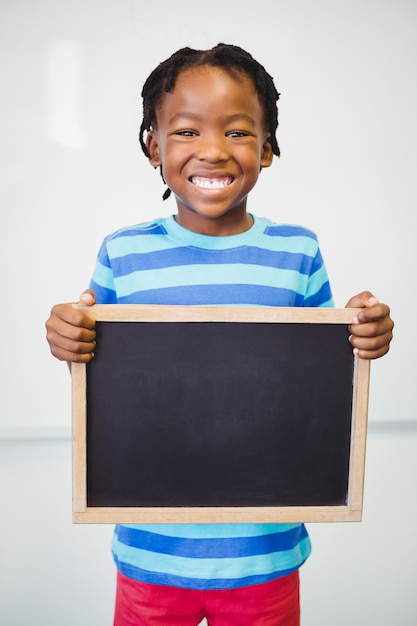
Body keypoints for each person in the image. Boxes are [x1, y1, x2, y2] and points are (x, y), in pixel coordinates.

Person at [46, 43, 394, 626]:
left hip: (265, 554)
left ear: (268, 148)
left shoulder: (296, 252)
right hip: (151, 555)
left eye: (237, 132)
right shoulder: (124, 252)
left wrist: (364, 333)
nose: (212, 149)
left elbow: (323, 371)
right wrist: (65, 336)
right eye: (185, 131)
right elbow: (97, 362)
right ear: (154, 147)